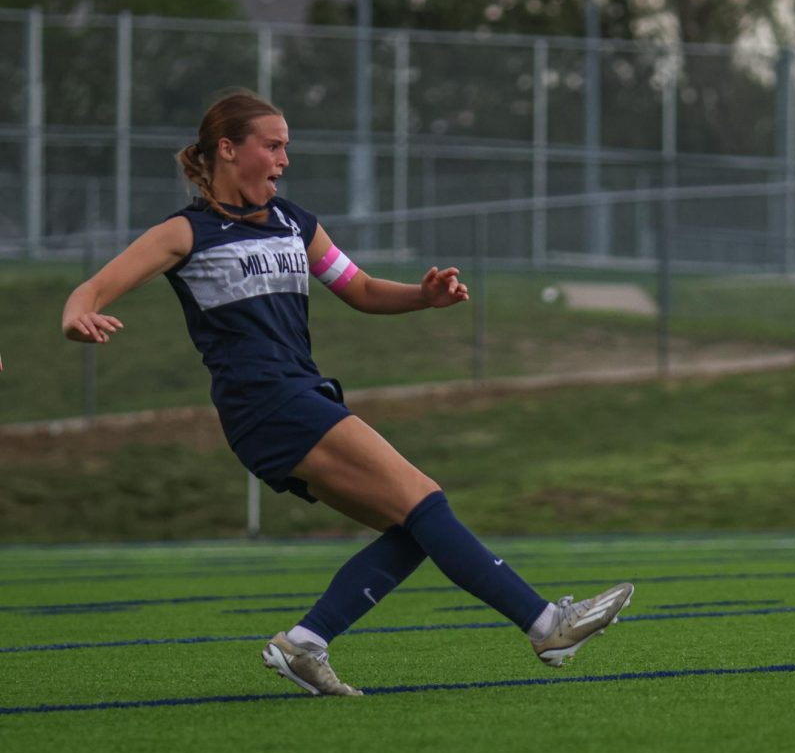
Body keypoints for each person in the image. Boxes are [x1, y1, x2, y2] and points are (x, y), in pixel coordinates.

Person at [61, 89, 634, 697]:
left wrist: (423, 296)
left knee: (414, 526)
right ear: (227, 149)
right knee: (425, 502)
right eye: (273, 145)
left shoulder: (293, 221)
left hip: (298, 398)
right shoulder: (185, 232)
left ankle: (305, 643)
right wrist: (78, 315)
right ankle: (546, 624)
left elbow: (358, 287)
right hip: (268, 403)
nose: (284, 159)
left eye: (287, 147)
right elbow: (93, 288)